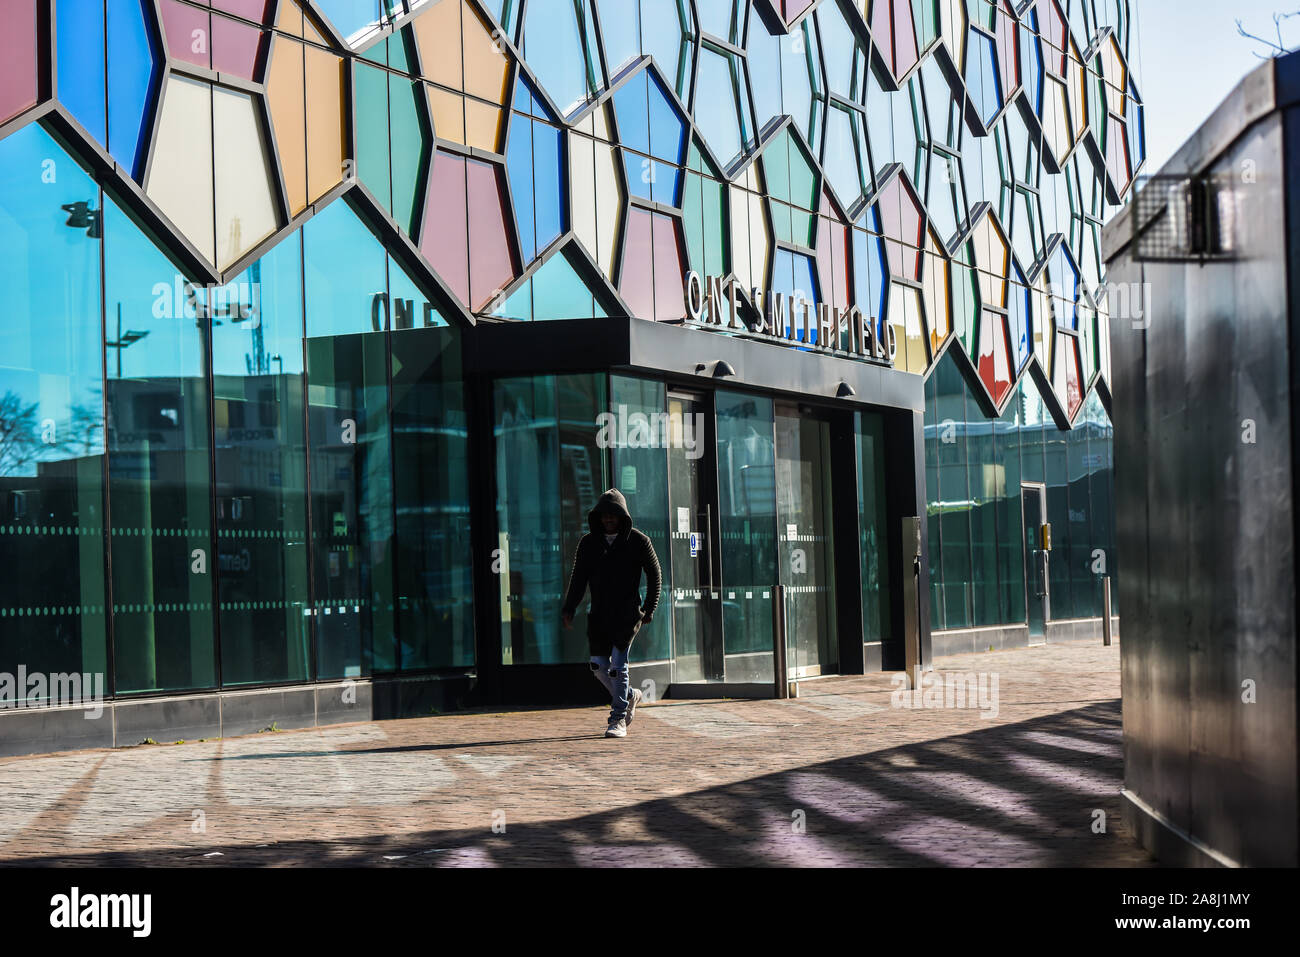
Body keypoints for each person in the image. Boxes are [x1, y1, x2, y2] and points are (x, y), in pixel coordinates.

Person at [561, 489, 661, 738]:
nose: (608, 520)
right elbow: (578, 578)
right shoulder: (588, 543)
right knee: (598, 666)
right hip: (599, 614)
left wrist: (649, 607)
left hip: (627, 614)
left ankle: (618, 719)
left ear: (622, 517)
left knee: (618, 666)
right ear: (598, 518)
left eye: (613, 516)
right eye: (604, 516)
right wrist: (569, 608)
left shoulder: (639, 541)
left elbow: (654, 573)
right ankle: (629, 695)